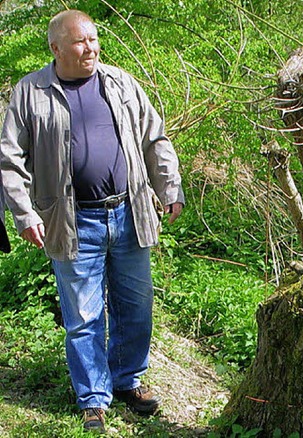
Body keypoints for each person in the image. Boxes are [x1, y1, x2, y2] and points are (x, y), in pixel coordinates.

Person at [0, 9, 184, 433]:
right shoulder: (31, 92)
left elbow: (154, 137)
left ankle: (127, 380)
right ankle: (93, 399)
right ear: (57, 48)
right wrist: (24, 212)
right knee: (83, 316)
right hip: (71, 220)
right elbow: (9, 161)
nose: (91, 48)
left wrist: (169, 187)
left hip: (129, 211)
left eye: (94, 39)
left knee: (136, 308)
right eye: (81, 41)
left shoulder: (119, 82)